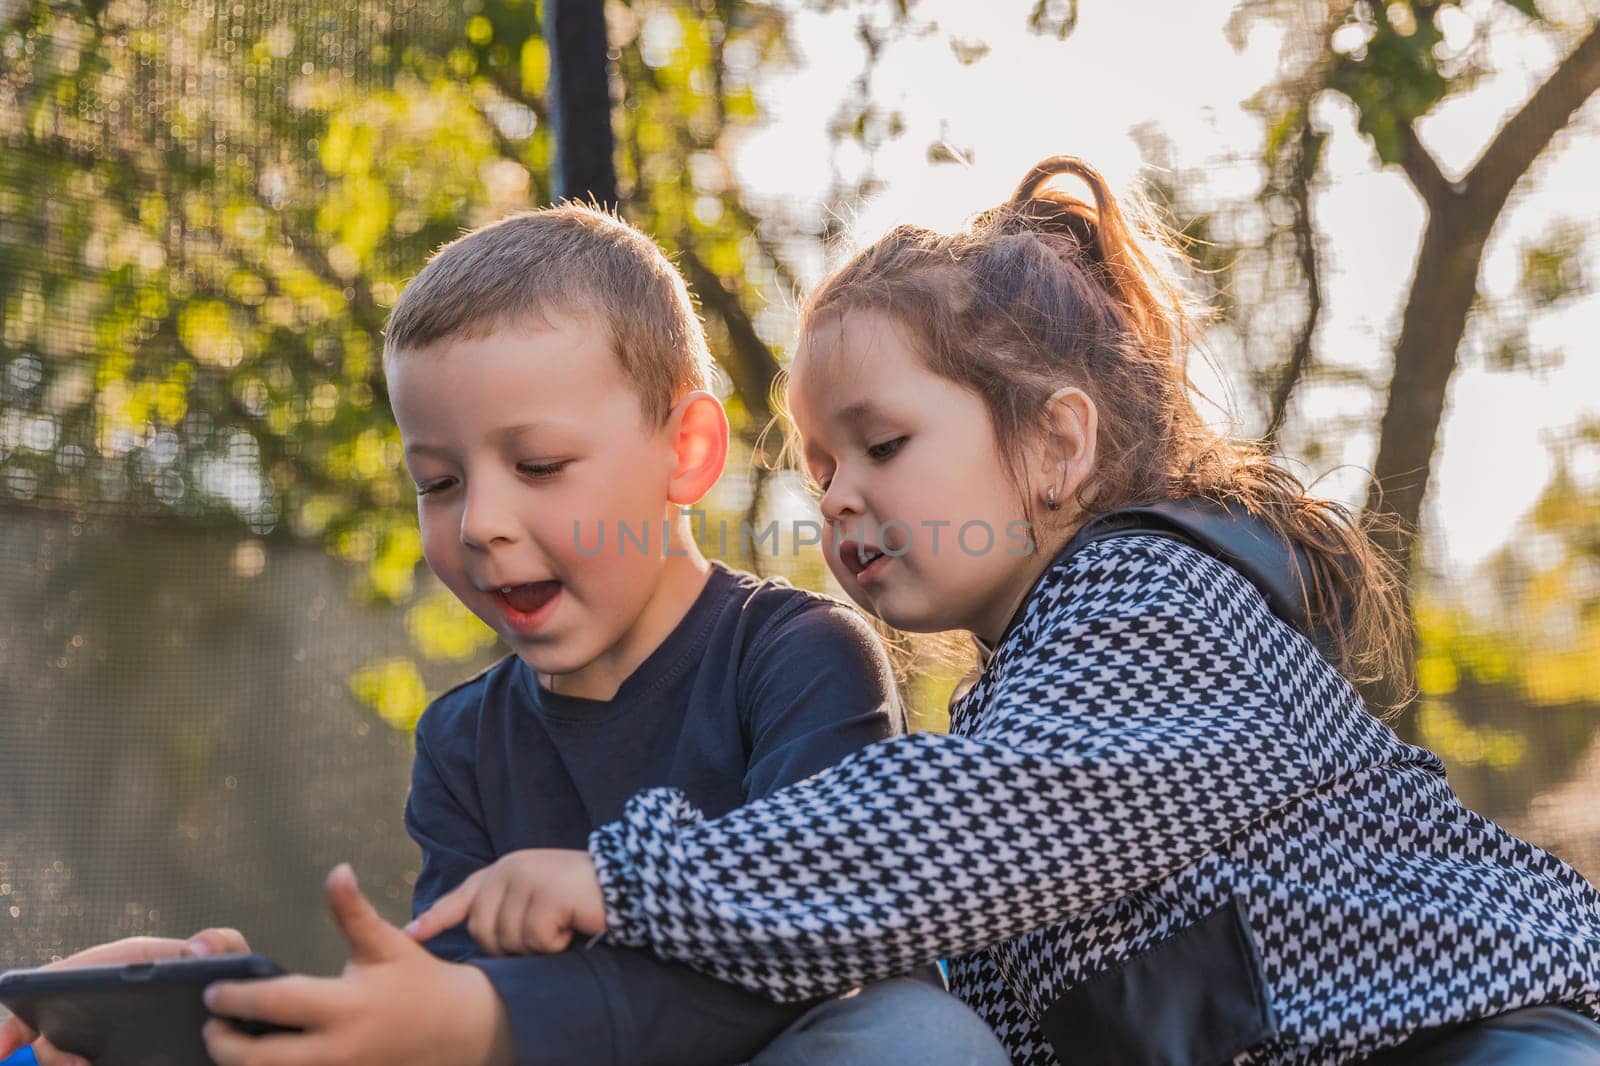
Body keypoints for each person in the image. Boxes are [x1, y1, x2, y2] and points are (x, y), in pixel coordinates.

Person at [419, 157, 1600, 1064]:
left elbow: (957, 824)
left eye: (881, 444)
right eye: (820, 470)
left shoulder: (1157, 604)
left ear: (1054, 442)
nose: (840, 498)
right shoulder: (1016, 707)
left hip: (1489, 1034)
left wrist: (629, 883)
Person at [0, 205, 1008, 1066]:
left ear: (686, 452)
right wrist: (304, 1019)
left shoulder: (797, 656)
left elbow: (803, 950)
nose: (478, 521)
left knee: (915, 1035)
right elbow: (453, 1006)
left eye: (535, 465)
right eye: (437, 482)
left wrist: (485, 1018)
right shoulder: (460, 744)